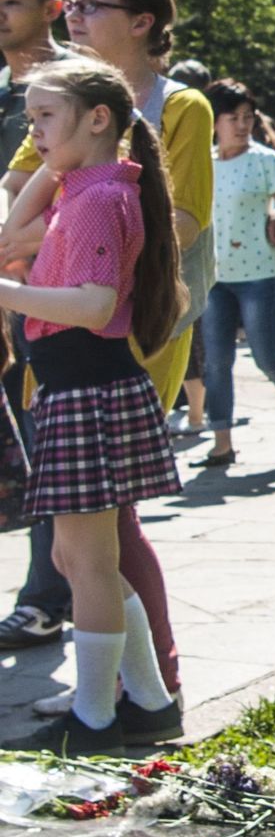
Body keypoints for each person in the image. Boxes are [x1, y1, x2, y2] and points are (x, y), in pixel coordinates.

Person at [3, 0, 212, 703]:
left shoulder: (178, 105)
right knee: (87, 535)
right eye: (77, 3)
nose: (76, 16)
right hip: (63, 331)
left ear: (146, 21)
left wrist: (40, 246)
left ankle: (151, 680)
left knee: (104, 527)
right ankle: (140, 683)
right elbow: (16, 204)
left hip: (134, 332)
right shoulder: (63, 99)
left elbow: (175, 224)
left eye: (94, 5)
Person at [0, 56, 185, 754]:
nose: (33, 130)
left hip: (88, 389)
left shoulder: (101, 198)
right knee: (90, 562)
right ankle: (149, 703)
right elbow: (11, 232)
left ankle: (97, 717)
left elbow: (94, 304)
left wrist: (7, 294)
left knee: (85, 563)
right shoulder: (85, 186)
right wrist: (55, 158)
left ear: (98, 118)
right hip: (81, 389)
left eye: (45, 116)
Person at [0, 0, 75, 652]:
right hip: (6, 292)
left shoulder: (79, 87)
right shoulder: (0, 92)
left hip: (58, 300)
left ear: (52, 7)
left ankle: (47, 598)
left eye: (10, 0)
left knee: (50, 446)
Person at [195, 81, 275, 470]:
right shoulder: (201, 161)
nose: (241, 125)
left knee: (269, 358)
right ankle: (222, 442)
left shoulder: (265, 160)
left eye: (248, 118)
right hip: (214, 276)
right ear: (214, 122)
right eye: (232, 118)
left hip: (260, 276)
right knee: (216, 361)